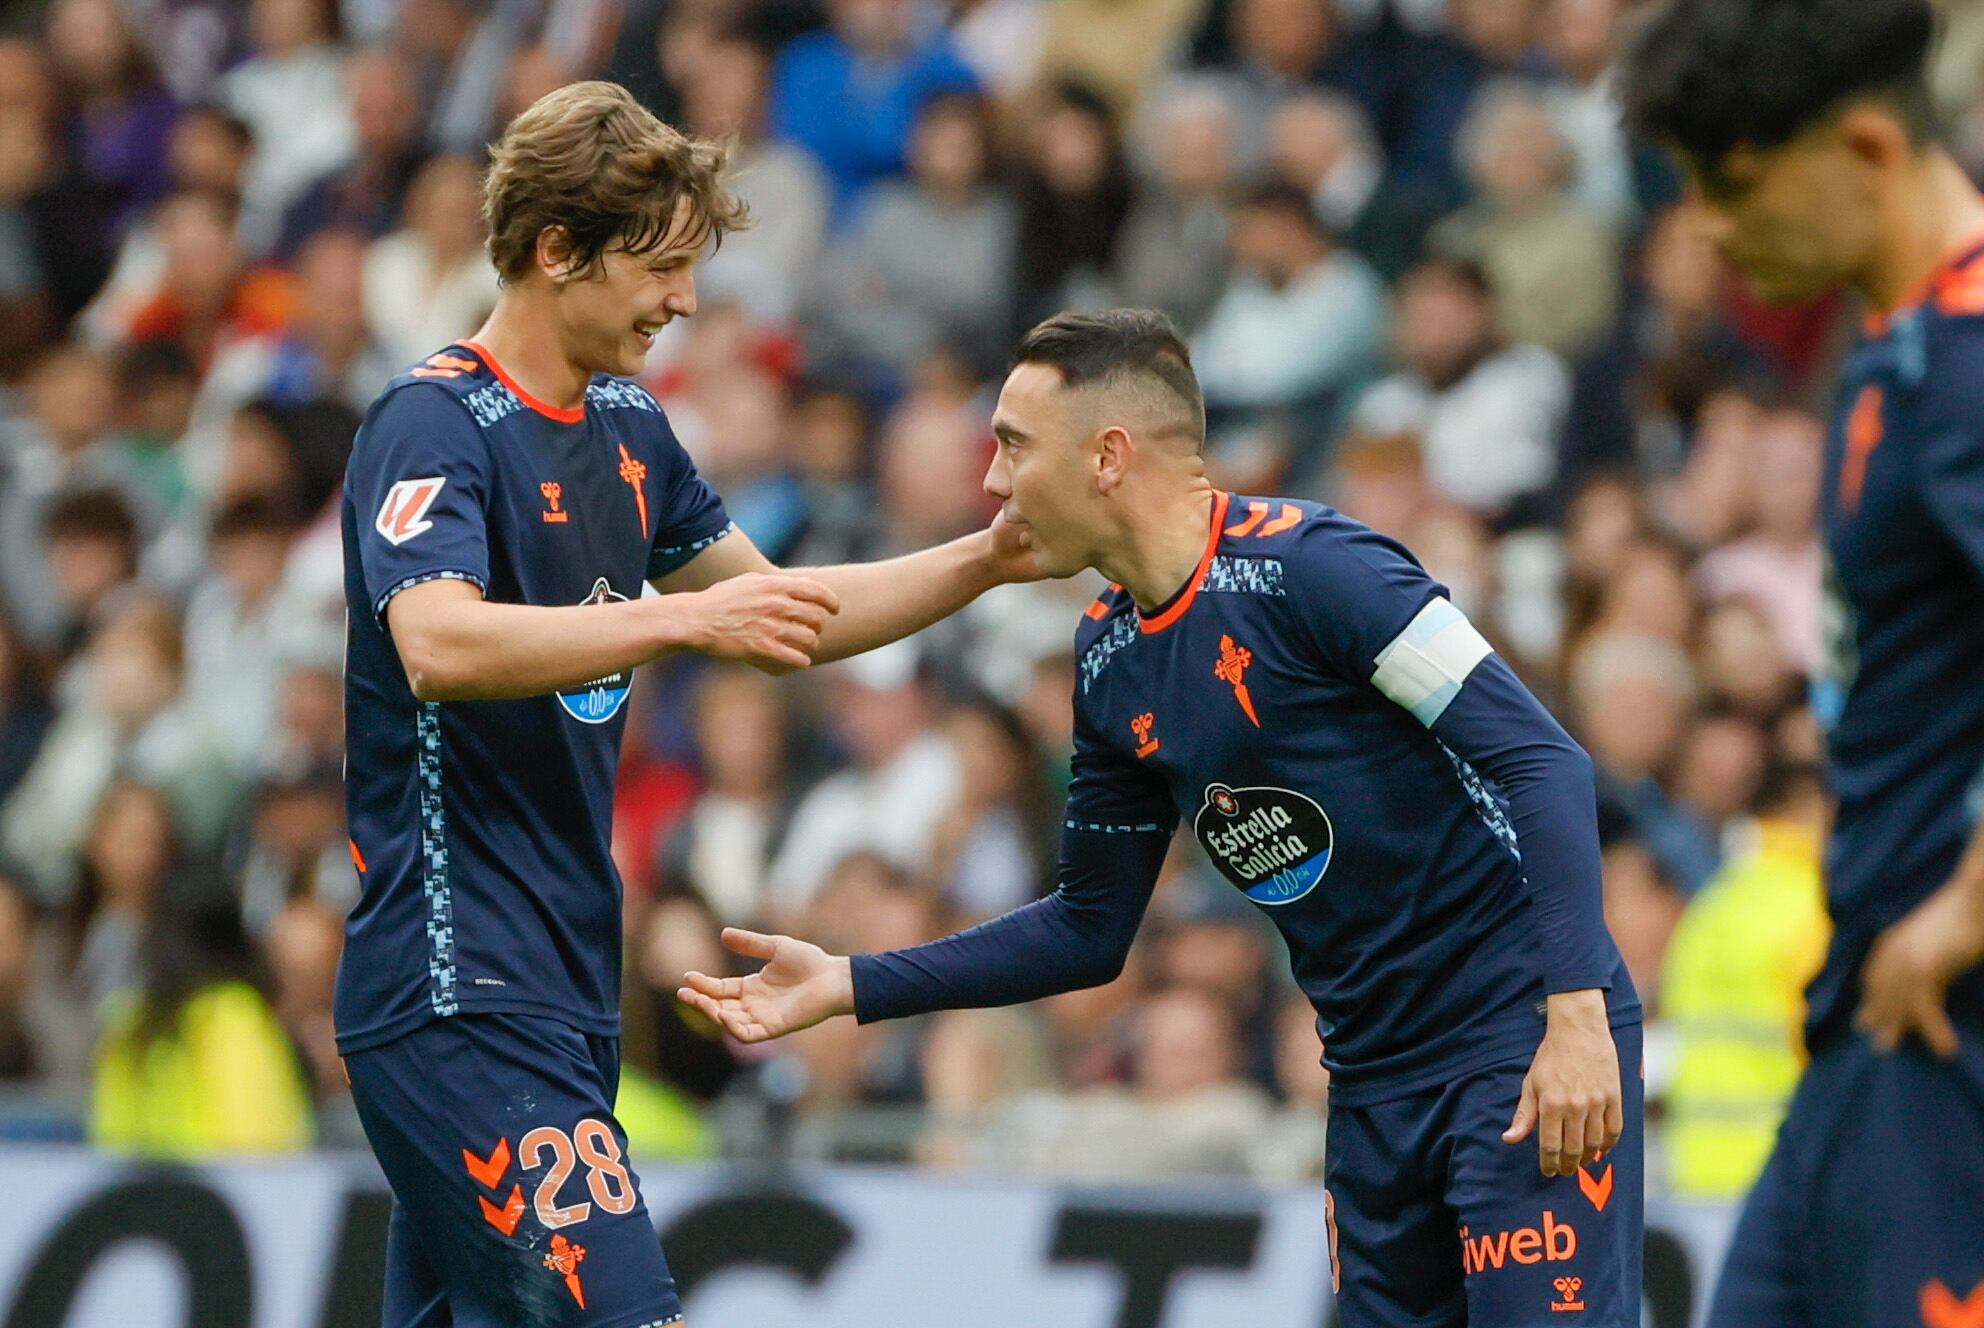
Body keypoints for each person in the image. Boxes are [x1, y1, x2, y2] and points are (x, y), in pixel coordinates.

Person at [681, 308, 1642, 1326]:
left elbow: (1541, 758)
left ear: (1106, 456)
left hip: (1518, 1037)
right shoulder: (1106, 660)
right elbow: (1088, 927)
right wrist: (849, 980)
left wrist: (1573, 1011)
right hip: (1369, 1083)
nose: (994, 483)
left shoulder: (1319, 568)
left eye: (1011, 445)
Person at [336, 82, 1038, 1328]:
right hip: (453, 982)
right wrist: (677, 617)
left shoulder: (627, 427)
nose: (687, 303)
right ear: (558, 250)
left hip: (558, 982)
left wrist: (984, 556)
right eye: (660, 266)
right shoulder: (433, 422)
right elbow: (435, 640)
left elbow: (786, 617)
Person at [1622, 0, 1984, 1322]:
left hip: (1952, 1038)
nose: (1709, 228)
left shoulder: (1966, 359)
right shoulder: (1895, 346)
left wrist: (1969, 908)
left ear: (1871, 151)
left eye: (1734, 182)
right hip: (1865, 1032)